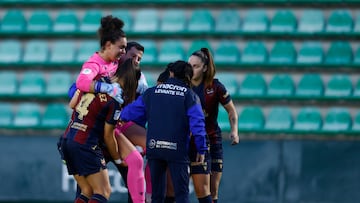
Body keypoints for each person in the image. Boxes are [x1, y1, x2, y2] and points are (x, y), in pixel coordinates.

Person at [120, 60, 208, 203]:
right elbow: (198, 125)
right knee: (181, 194)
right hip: (177, 150)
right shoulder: (190, 96)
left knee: (157, 195)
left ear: (171, 73)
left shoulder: (151, 93)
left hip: (154, 148)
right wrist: (201, 149)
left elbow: (128, 114)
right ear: (189, 77)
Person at [59, 58, 145, 203]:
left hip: (67, 140)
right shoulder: (116, 98)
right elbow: (108, 135)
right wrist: (117, 158)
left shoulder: (96, 82)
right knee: (103, 192)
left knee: (87, 191)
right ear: (132, 82)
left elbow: (72, 104)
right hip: (85, 145)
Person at [189, 48, 240, 203]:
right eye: (189, 65)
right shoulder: (184, 86)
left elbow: (231, 111)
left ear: (205, 68)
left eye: (195, 66)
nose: (191, 69)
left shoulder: (216, 87)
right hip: (191, 141)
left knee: (213, 190)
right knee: (196, 189)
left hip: (213, 138)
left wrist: (234, 131)